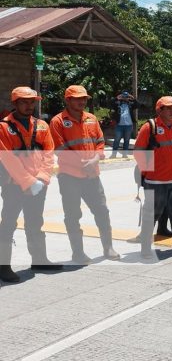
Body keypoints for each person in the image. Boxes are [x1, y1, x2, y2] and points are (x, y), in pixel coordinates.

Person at [49, 85, 120, 264]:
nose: (82, 101)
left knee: (102, 211)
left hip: (92, 175)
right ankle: (78, 253)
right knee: (73, 215)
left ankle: (108, 247)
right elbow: (60, 149)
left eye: (84, 99)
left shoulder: (91, 119)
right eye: (77, 98)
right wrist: (83, 165)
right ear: (68, 100)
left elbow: (100, 142)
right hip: (70, 176)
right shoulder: (57, 121)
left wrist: (96, 159)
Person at [0, 87, 62, 282]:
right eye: (24, 102)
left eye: (32, 102)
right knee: (8, 225)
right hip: (14, 186)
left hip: (38, 184)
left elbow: (49, 153)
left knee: (35, 222)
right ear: (15, 103)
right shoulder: (3, 127)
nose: (29, 106)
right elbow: (7, 158)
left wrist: (42, 178)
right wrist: (28, 182)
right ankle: (3, 267)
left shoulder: (42, 125)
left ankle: (39, 259)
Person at [134, 96, 172, 259]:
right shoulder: (150, 127)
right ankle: (146, 248)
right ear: (159, 110)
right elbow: (139, 152)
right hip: (155, 180)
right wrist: (149, 172)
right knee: (152, 213)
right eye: (168, 108)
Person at [110, 90, 141, 158]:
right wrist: (117, 98)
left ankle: (124, 155)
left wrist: (133, 98)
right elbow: (111, 103)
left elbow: (138, 105)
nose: (125, 98)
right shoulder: (118, 103)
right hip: (119, 126)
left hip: (129, 126)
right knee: (117, 140)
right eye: (123, 96)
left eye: (126, 97)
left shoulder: (130, 104)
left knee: (127, 140)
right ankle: (113, 154)